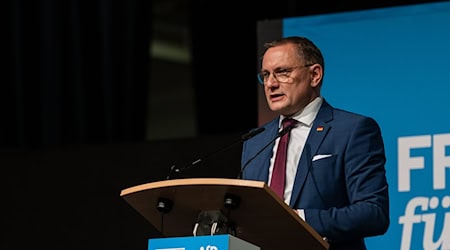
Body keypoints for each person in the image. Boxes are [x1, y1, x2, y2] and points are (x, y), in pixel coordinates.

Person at [240, 36, 390, 250]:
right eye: (265, 75)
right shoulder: (255, 140)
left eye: (282, 72)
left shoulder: (352, 130)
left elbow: (374, 213)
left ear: (314, 75)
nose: (271, 84)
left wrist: (299, 219)